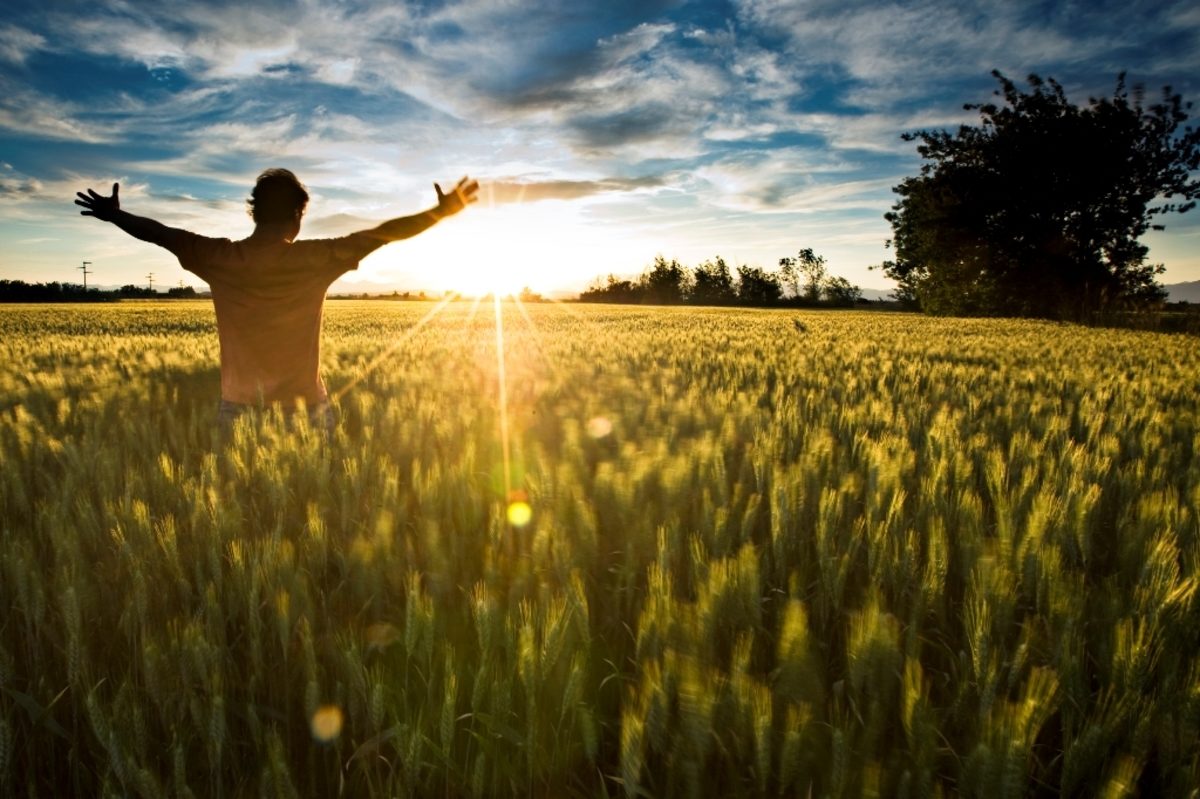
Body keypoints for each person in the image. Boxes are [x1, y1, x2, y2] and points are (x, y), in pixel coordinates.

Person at [75, 169, 478, 436]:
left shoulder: (219, 258)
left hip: (237, 411)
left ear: (253, 212)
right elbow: (383, 233)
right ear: (298, 216)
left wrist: (117, 216)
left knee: (240, 525)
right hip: (308, 411)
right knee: (318, 513)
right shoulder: (316, 258)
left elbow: (163, 234)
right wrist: (440, 213)